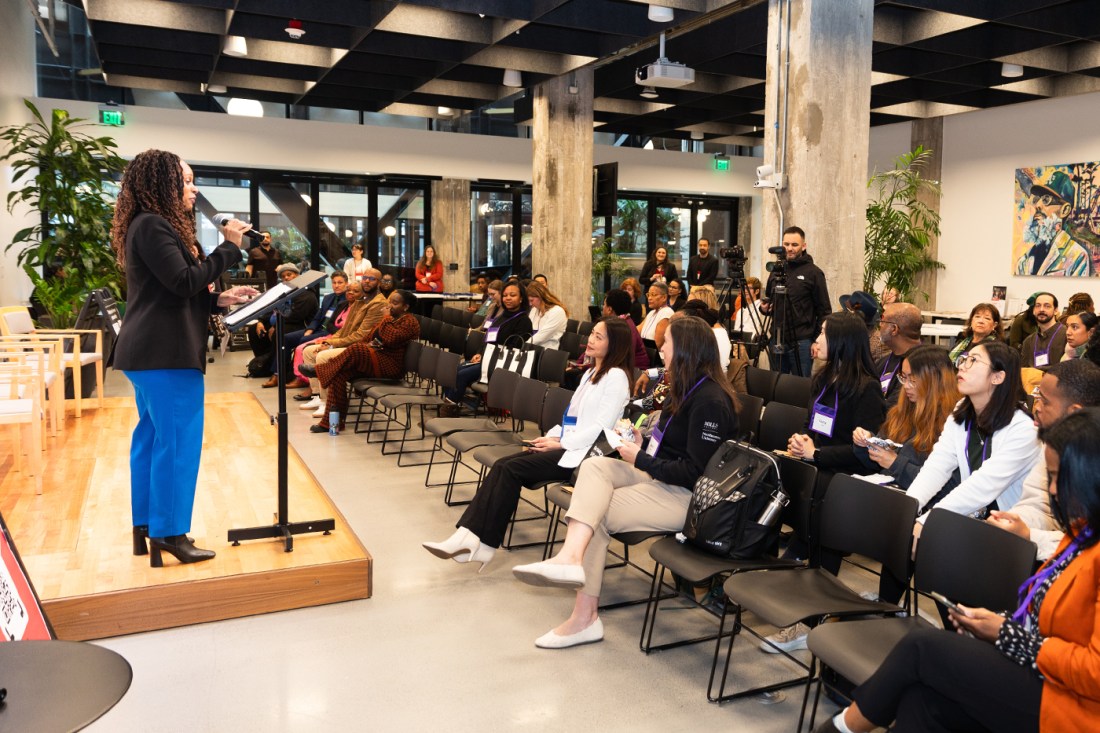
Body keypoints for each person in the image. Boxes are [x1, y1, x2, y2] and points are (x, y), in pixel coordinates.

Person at [815, 407, 1100, 733]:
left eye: (1059, 477)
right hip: (1041, 673)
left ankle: (838, 729)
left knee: (923, 648)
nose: (1052, 490)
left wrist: (1005, 634)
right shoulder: (1081, 535)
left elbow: (1094, 672)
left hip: (1070, 703)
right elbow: (1049, 619)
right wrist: (996, 626)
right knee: (921, 699)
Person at [510, 317, 739, 648]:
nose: (659, 348)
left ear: (686, 349)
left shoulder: (710, 401)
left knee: (595, 514)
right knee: (596, 467)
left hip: (686, 498)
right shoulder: (686, 388)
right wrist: (642, 444)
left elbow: (694, 472)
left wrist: (640, 458)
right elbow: (671, 449)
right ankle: (571, 559)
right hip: (659, 476)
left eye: (667, 343)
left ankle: (583, 618)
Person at [110, 149, 257, 567]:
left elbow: (170, 292)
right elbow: (182, 281)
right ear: (162, 185)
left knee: (152, 440)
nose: (193, 189)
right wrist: (230, 248)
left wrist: (219, 299)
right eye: (187, 181)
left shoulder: (145, 225)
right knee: (177, 446)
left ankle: (146, 527)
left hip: (150, 352)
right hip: (165, 354)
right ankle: (170, 533)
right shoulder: (155, 225)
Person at [422, 318, 634, 568]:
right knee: (503, 465)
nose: (590, 340)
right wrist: (550, 437)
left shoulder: (617, 377)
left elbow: (601, 427)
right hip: (568, 445)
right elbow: (572, 416)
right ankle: (466, 537)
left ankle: (483, 544)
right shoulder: (590, 373)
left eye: (599, 337)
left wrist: (560, 444)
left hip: (586, 457)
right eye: (592, 334)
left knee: (511, 469)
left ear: (615, 345)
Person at [853, 346, 961, 603]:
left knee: (900, 532)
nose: (907, 385)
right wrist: (864, 445)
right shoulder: (903, 410)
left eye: (913, 378)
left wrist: (894, 463)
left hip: (933, 513)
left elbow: (949, 487)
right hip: (897, 502)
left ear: (934, 379)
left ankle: (888, 604)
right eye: (903, 377)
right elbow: (876, 461)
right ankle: (887, 603)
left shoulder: (954, 422)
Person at [907, 341, 1040, 544]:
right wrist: (908, 508)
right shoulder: (963, 410)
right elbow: (937, 466)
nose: (961, 366)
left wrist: (927, 521)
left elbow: (983, 485)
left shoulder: (1022, 429)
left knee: (923, 541)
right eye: (964, 359)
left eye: (973, 361)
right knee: (906, 536)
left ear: (998, 377)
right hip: (973, 517)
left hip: (1010, 529)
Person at [988, 360, 1100, 562]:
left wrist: (1031, 536)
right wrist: (1015, 520)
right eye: (1037, 397)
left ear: (1073, 411)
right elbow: (1039, 503)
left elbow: (1091, 547)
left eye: (1045, 401)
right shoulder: (1052, 443)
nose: (1036, 408)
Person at [310, 290, 420, 434]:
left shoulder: (409, 321)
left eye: (395, 303)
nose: (389, 305)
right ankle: (332, 423)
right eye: (389, 301)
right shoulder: (390, 319)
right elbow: (369, 337)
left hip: (391, 366)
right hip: (377, 359)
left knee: (357, 349)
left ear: (405, 307)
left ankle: (321, 370)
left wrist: (385, 318)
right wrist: (368, 343)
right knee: (338, 376)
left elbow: (391, 339)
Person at [439, 281, 532, 417]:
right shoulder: (502, 316)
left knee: (461, 374)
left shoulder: (523, 321)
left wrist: (487, 356)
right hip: (487, 358)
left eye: (512, 295)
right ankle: (450, 405)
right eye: (505, 295)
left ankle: (449, 410)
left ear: (521, 298)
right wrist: (479, 353)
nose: (508, 298)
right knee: (454, 369)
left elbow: (514, 348)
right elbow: (488, 338)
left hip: (501, 364)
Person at [297, 273, 387, 412]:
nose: (367, 281)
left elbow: (361, 335)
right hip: (349, 342)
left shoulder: (378, 303)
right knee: (308, 350)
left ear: (379, 282)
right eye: (365, 278)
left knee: (322, 356)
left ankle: (327, 402)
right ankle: (319, 395)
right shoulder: (361, 300)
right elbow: (345, 329)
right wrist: (328, 341)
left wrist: (333, 344)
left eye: (372, 279)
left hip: (361, 348)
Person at [762, 225, 831, 377]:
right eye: (786, 244)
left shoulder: (813, 272)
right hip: (776, 338)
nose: (790, 248)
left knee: (800, 388)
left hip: (802, 341)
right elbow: (769, 301)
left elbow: (824, 310)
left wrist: (815, 341)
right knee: (775, 385)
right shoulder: (776, 270)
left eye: (794, 245)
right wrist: (764, 309)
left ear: (803, 246)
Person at [263, 271, 348, 389]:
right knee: (285, 339)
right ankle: (277, 374)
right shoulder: (328, 297)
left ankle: (301, 378)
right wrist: (310, 329)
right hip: (317, 329)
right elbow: (317, 317)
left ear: (346, 284)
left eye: (340, 283)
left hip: (330, 332)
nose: (336, 285)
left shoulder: (348, 300)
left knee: (303, 340)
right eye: (334, 282)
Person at [1015, 170, 1092, 277]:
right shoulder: (1024, 260)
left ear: (1064, 210)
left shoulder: (1078, 256)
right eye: (1037, 199)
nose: (1038, 205)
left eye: (1046, 199)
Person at [248, 263, 319, 374]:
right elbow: (272, 308)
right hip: (283, 321)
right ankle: (263, 361)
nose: (286, 278)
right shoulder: (284, 291)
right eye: (283, 276)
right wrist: (261, 321)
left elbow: (296, 316)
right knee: (253, 330)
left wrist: (276, 326)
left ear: (297, 275)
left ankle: (275, 366)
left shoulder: (306, 293)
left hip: (301, 325)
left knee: (280, 331)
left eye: (289, 274)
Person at [874, 302, 923, 403]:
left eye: (882, 320)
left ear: (894, 329)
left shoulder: (921, 365)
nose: (880, 325)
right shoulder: (883, 362)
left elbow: (894, 408)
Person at [1021, 292, 1067, 370]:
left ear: (1055, 310)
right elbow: (1023, 369)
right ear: (1033, 310)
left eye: (1047, 306)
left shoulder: (1067, 335)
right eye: (1038, 306)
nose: (1041, 309)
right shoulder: (1029, 341)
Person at [526, 280, 568, 350]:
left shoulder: (557, 311)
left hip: (548, 352)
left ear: (540, 296)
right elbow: (528, 330)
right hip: (532, 349)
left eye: (531, 300)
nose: (530, 304)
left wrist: (524, 345)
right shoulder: (534, 310)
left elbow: (542, 336)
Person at [638, 282, 674, 349]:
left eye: (653, 295)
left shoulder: (667, 312)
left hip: (657, 356)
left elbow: (657, 345)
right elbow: (636, 331)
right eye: (648, 295)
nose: (649, 298)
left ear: (664, 297)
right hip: (645, 352)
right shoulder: (652, 312)